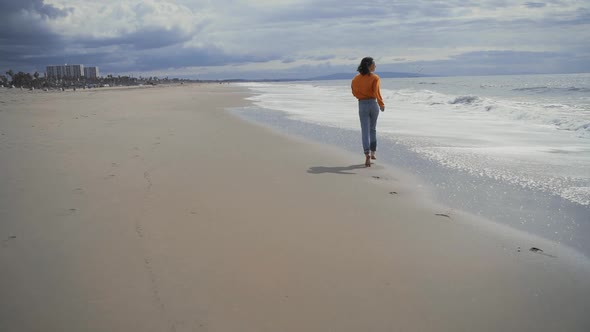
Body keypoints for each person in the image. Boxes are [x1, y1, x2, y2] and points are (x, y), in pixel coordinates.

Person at [351, 57, 385, 167]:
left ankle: (367, 155)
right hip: (373, 104)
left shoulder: (355, 79)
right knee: (372, 129)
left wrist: (361, 97)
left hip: (362, 104)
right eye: (374, 64)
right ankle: (373, 152)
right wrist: (381, 103)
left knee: (365, 130)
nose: (375, 66)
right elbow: (377, 92)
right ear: (369, 66)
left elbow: (354, 92)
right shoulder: (375, 78)